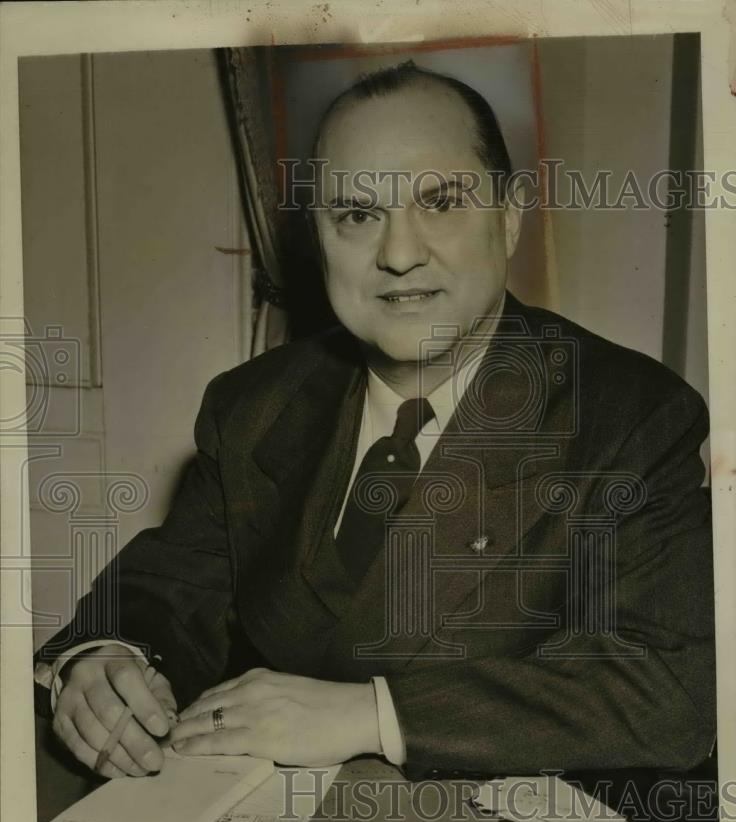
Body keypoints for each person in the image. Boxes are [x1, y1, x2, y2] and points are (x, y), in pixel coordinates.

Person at [34, 61, 716, 783]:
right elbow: (167, 593)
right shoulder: (252, 406)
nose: (397, 255)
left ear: (510, 216)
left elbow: (669, 692)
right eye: (357, 215)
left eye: (442, 202)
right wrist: (106, 656)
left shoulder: (629, 417)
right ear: (318, 237)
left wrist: (370, 715)